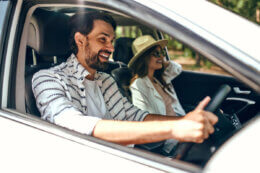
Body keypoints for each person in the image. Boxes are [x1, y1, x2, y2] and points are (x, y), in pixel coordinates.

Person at [32, 11, 218, 147]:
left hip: (125, 155)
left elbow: (135, 116)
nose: (111, 48)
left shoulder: (105, 80)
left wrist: (183, 122)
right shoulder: (47, 79)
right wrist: (173, 130)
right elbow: (74, 124)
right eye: (103, 40)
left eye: (112, 41)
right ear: (80, 40)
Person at [129, 35, 185, 117]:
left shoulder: (159, 78)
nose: (162, 56)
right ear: (144, 58)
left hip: (181, 119)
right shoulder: (138, 85)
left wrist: (163, 61)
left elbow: (177, 68)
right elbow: (143, 118)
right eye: (156, 53)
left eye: (162, 52)